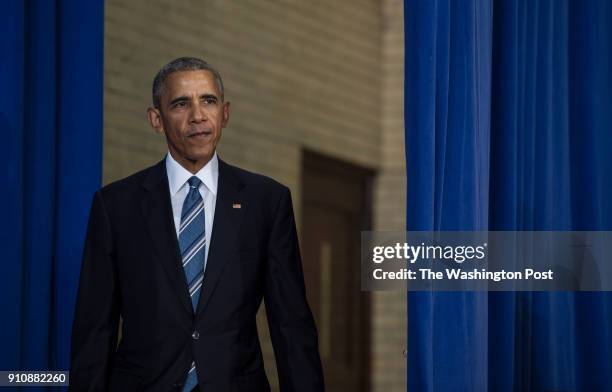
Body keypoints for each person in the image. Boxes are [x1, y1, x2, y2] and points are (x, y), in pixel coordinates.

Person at [70, 57, 324, 392]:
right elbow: (95, 329)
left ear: (226, 113)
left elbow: (291, 325)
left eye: (208, 101)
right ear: (156, 119)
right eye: (180, 104)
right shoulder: (116, 205)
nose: (198, 116)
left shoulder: (267, 201)